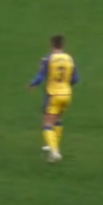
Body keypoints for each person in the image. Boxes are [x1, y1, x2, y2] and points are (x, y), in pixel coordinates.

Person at [27, 35, 78, 164]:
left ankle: (54, 151)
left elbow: (40, 76)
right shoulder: (70, 59)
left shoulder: (48, 59)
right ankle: (54, 148)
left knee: (47, 123)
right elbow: (75, 79)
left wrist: (32, 84)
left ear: (51, 45)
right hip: (67, 94)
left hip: (53, 95)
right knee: (58, 120)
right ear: (63, 45)